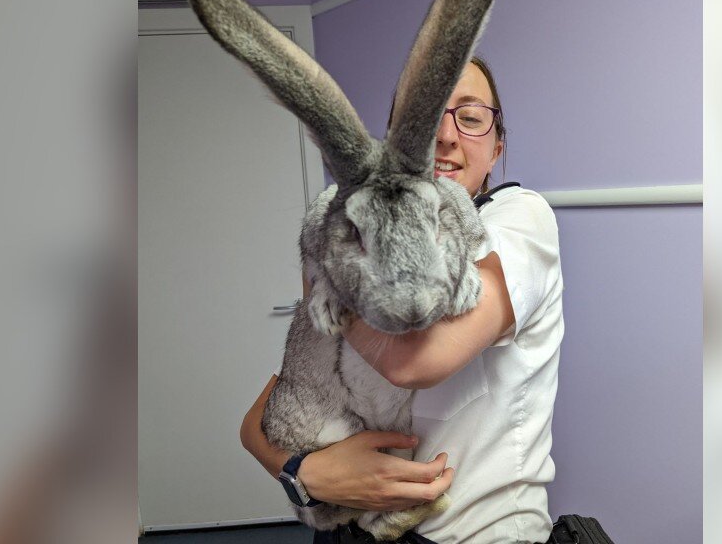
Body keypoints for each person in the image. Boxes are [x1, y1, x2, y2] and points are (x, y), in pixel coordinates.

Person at [240, 57, 564, 544]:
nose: (445, 136)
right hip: (350, 529)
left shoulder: (519, 219)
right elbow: (263, 417)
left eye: (471, 118)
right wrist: (304, 474)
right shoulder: (353, 228)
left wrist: (334, 260)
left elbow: (414, 362)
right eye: (424, 120)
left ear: (497, 148)